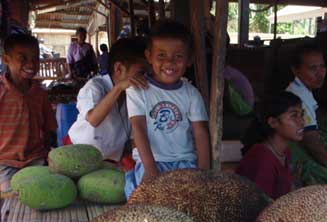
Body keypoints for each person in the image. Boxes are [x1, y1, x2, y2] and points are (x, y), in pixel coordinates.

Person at [125, 20, 211, 199]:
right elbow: (138, 128)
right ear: (149, 56)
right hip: (152, 161)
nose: (170, 62)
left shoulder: (191, 93)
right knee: (146, 206)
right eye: (161, 55)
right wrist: (150, 170)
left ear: (189, 60)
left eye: (178, 56)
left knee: (191, 205)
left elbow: (200, 132)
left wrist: (204, 173)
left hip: (185, 163)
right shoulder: (137, 90)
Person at [65, 37, 148, 170]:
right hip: (77, 155)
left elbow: (134, 137)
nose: (145, 78)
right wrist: (118, 88)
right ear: (119, 68)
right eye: (141, 73)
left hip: (109, 163)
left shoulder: (134, 94)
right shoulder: (95, 86)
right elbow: (93, 119)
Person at [286, 42, 327, 185]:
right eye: (313, 68)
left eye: (322, 67)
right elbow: (311, 142)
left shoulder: (301, 91)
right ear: (295, 70)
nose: (320, 73)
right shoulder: (299, 98)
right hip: (295, 158)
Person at [0, 33, 57, 193]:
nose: (31, 63)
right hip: (4, 162)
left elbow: (49, 128)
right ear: (6, 59)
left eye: (35, 58)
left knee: (42, 192)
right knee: (12, 195)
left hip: (35, 159)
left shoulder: (39, 93)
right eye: (22, 58)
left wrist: (49, 154)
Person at [236, 92, 304, 199]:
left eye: (302, 115)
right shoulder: (261, 159)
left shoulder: (285, 152)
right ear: (273, 122)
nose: (302, 121)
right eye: (294, 115)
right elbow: (257, 207)